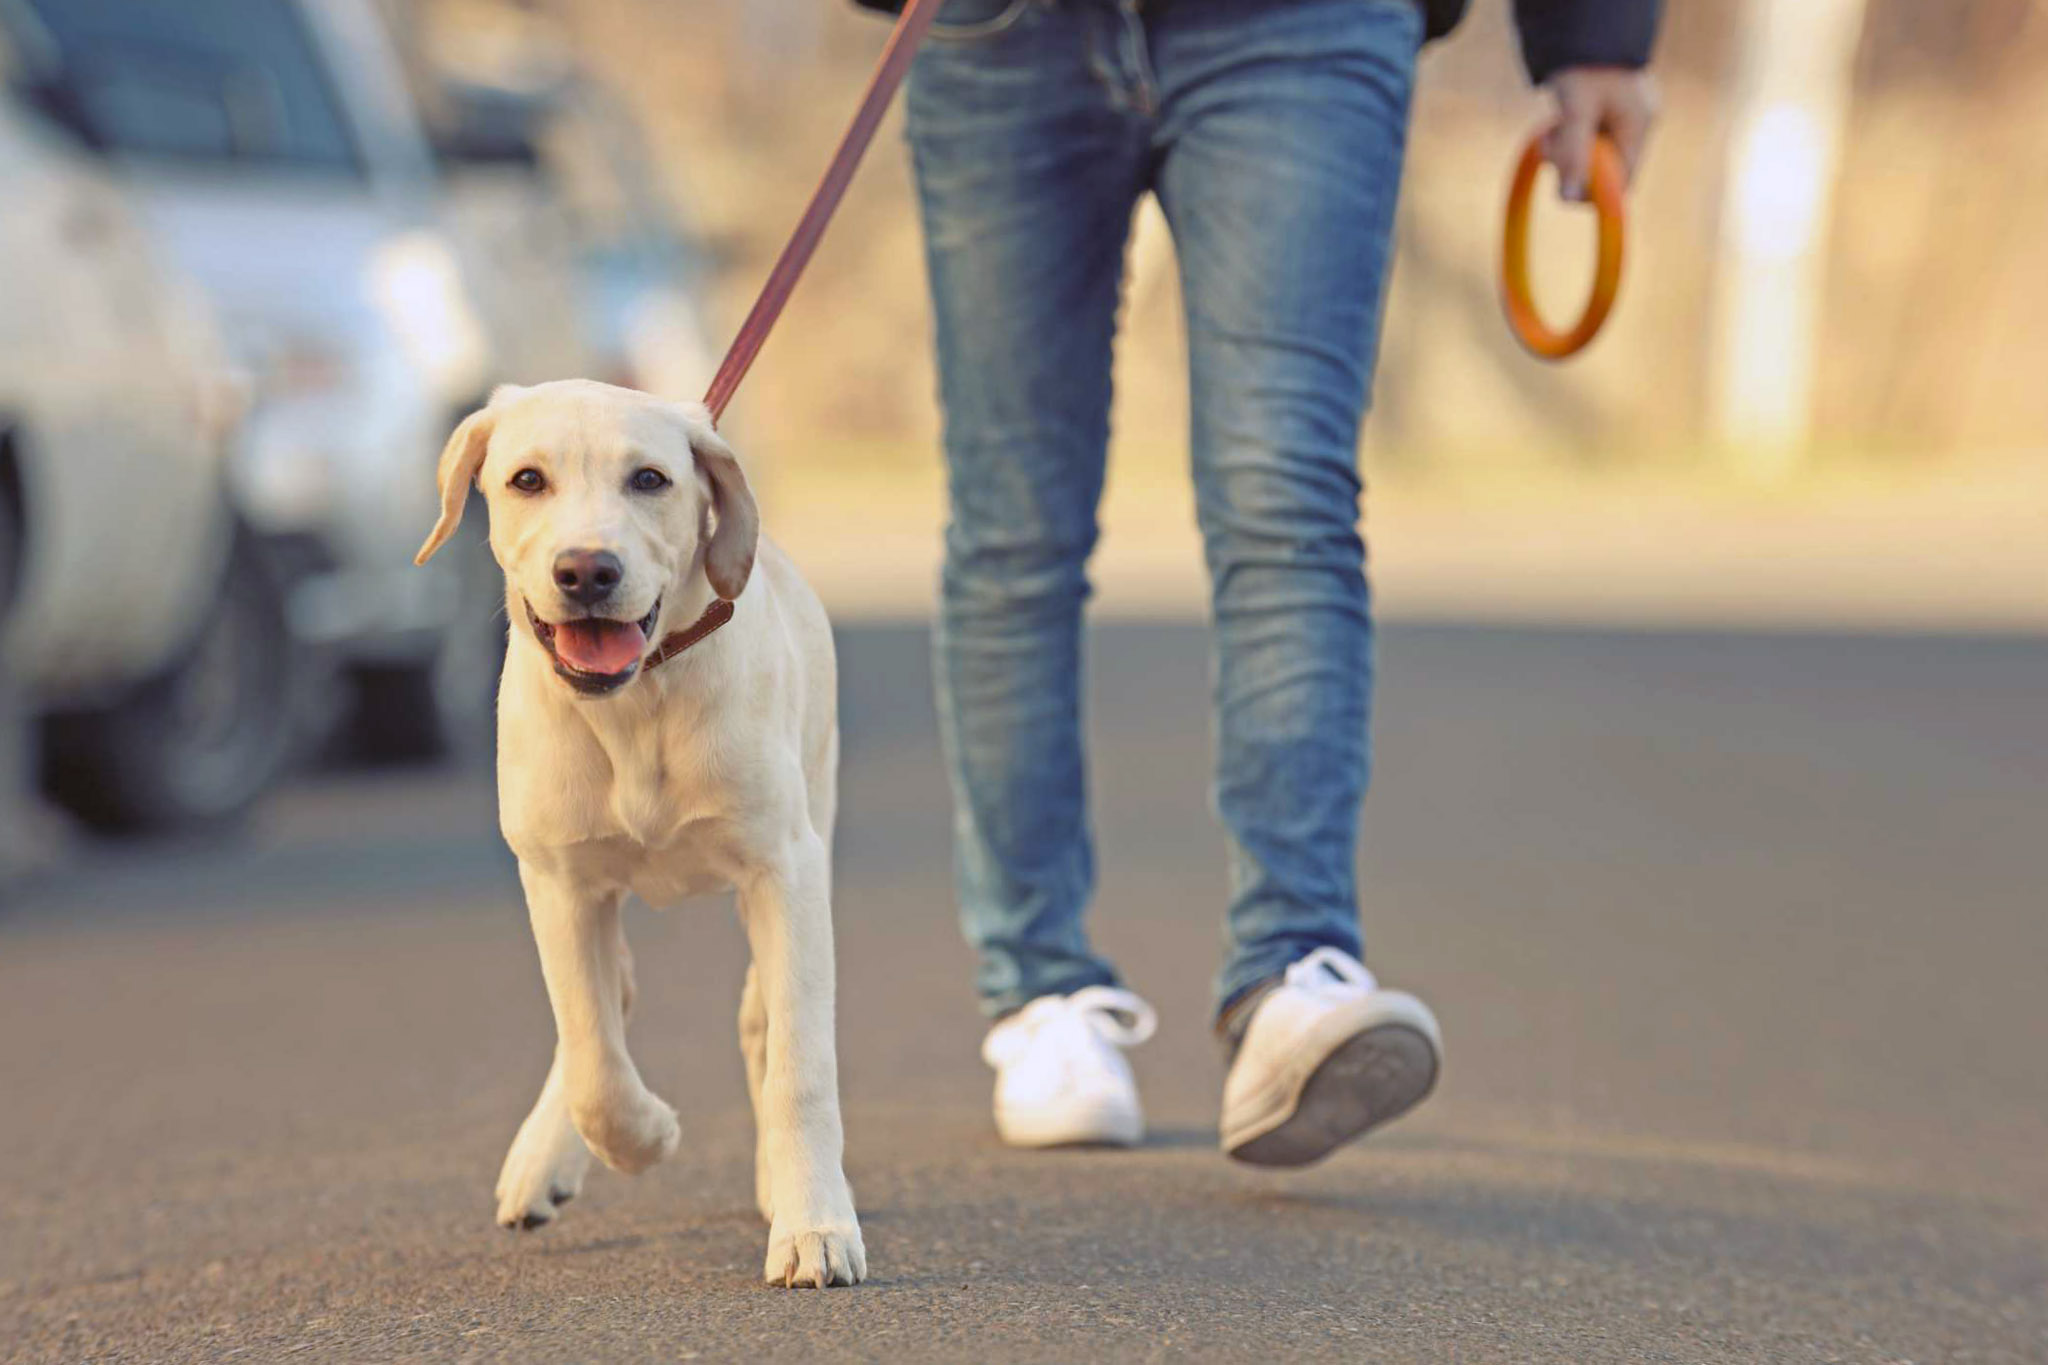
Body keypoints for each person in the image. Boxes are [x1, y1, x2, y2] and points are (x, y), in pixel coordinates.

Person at [864, 0, 1662, 1163]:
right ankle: (1038, 997)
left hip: (1303, 23)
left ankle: (1294, 973)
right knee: (1011, 526)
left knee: (1286, 490)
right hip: (1001, 26)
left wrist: (1593, 31)